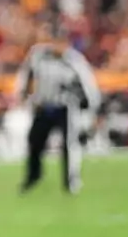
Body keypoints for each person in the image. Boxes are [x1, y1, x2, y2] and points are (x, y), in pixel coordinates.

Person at [15, 40, 100, 195]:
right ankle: (34, 175)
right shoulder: (38, 55)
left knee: (69, 145)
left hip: (65, 107)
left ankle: (71, 181)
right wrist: (25, 96)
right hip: (43, 106)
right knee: (34, 142)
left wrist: (89, 108)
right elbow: (26, 75)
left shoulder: (74, 60)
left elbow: (87, 84)